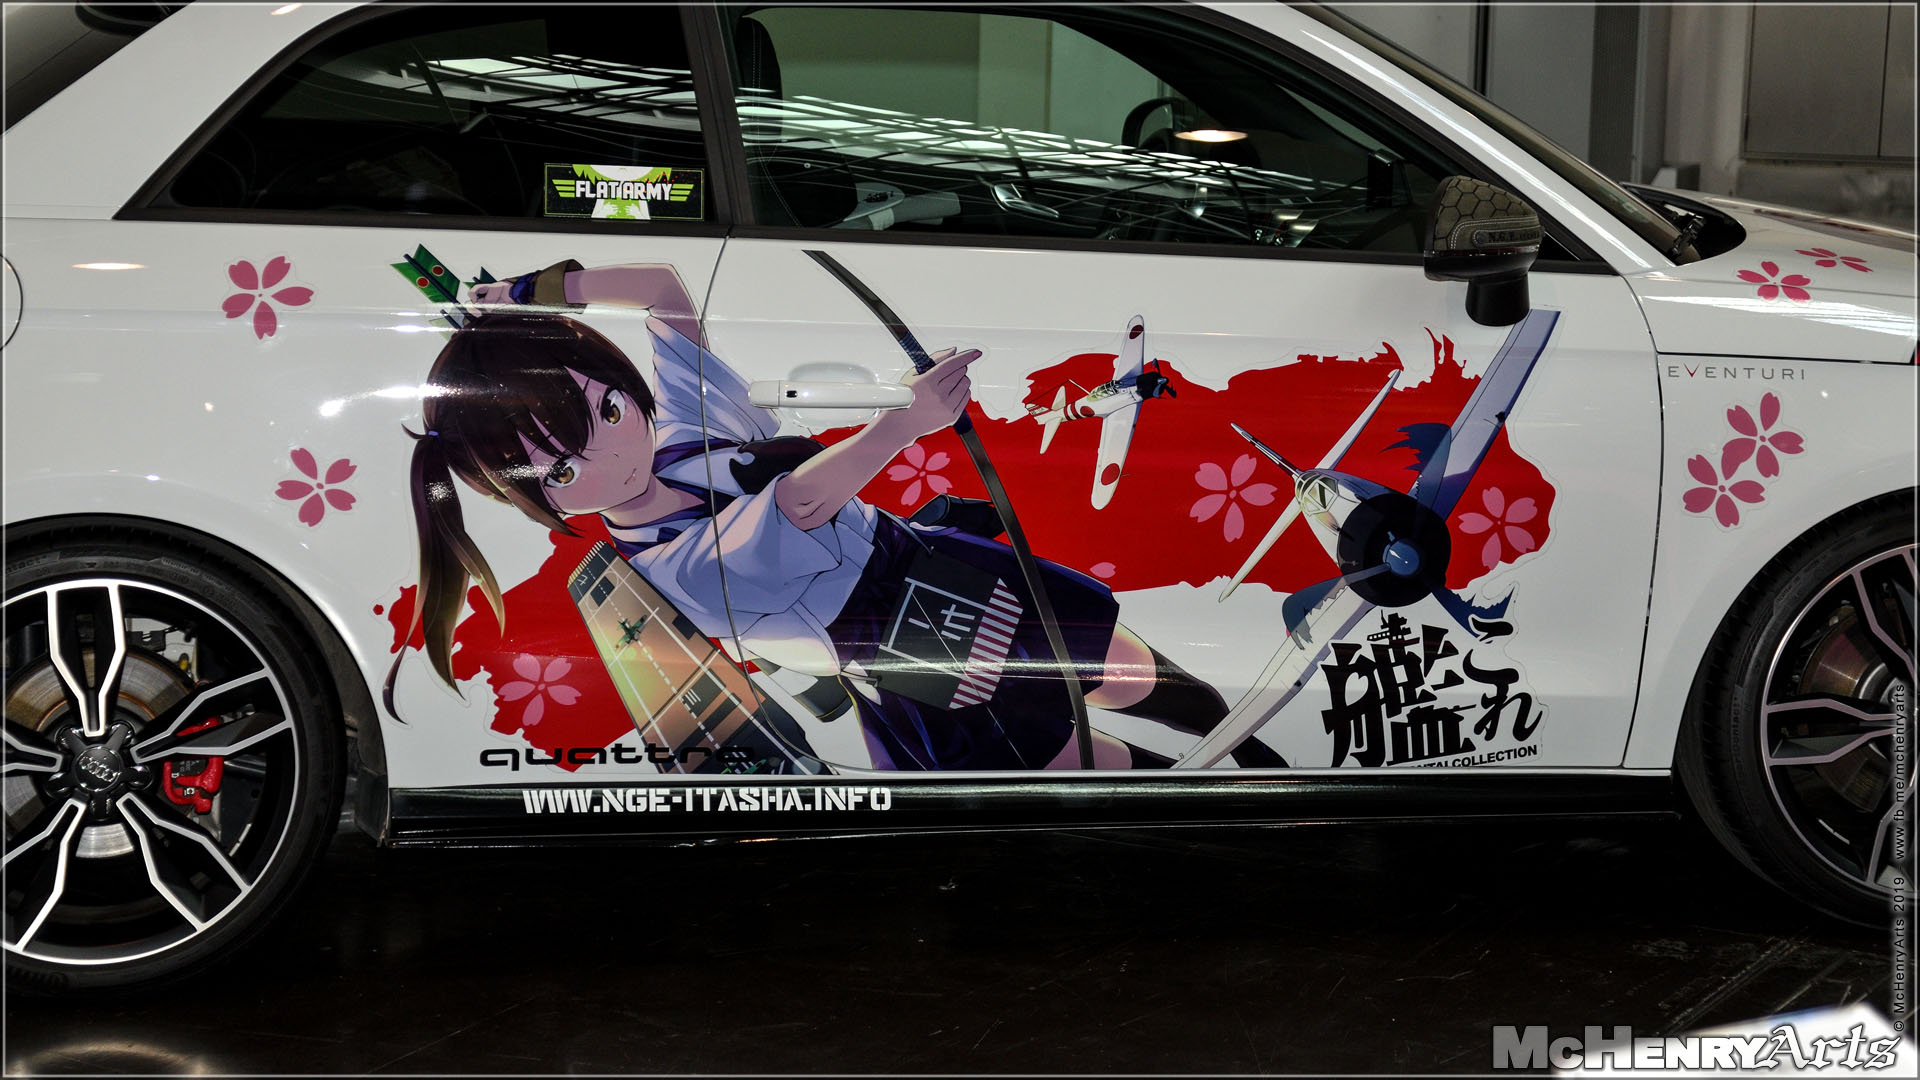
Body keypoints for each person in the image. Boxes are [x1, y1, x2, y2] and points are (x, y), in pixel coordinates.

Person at [395, 259, 1284, 771]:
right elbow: (803, 501)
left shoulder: (684, 442)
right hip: (910, 664)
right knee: (1091, 764)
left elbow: (664, 292)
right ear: (529, 497)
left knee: (1133, 673)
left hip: (940, 568)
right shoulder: (674, 571)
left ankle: (1262, 764)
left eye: (608, 410)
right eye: (561, 467)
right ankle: (1221, 806)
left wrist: (531, 289)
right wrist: (903, 424)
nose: (609, 454)